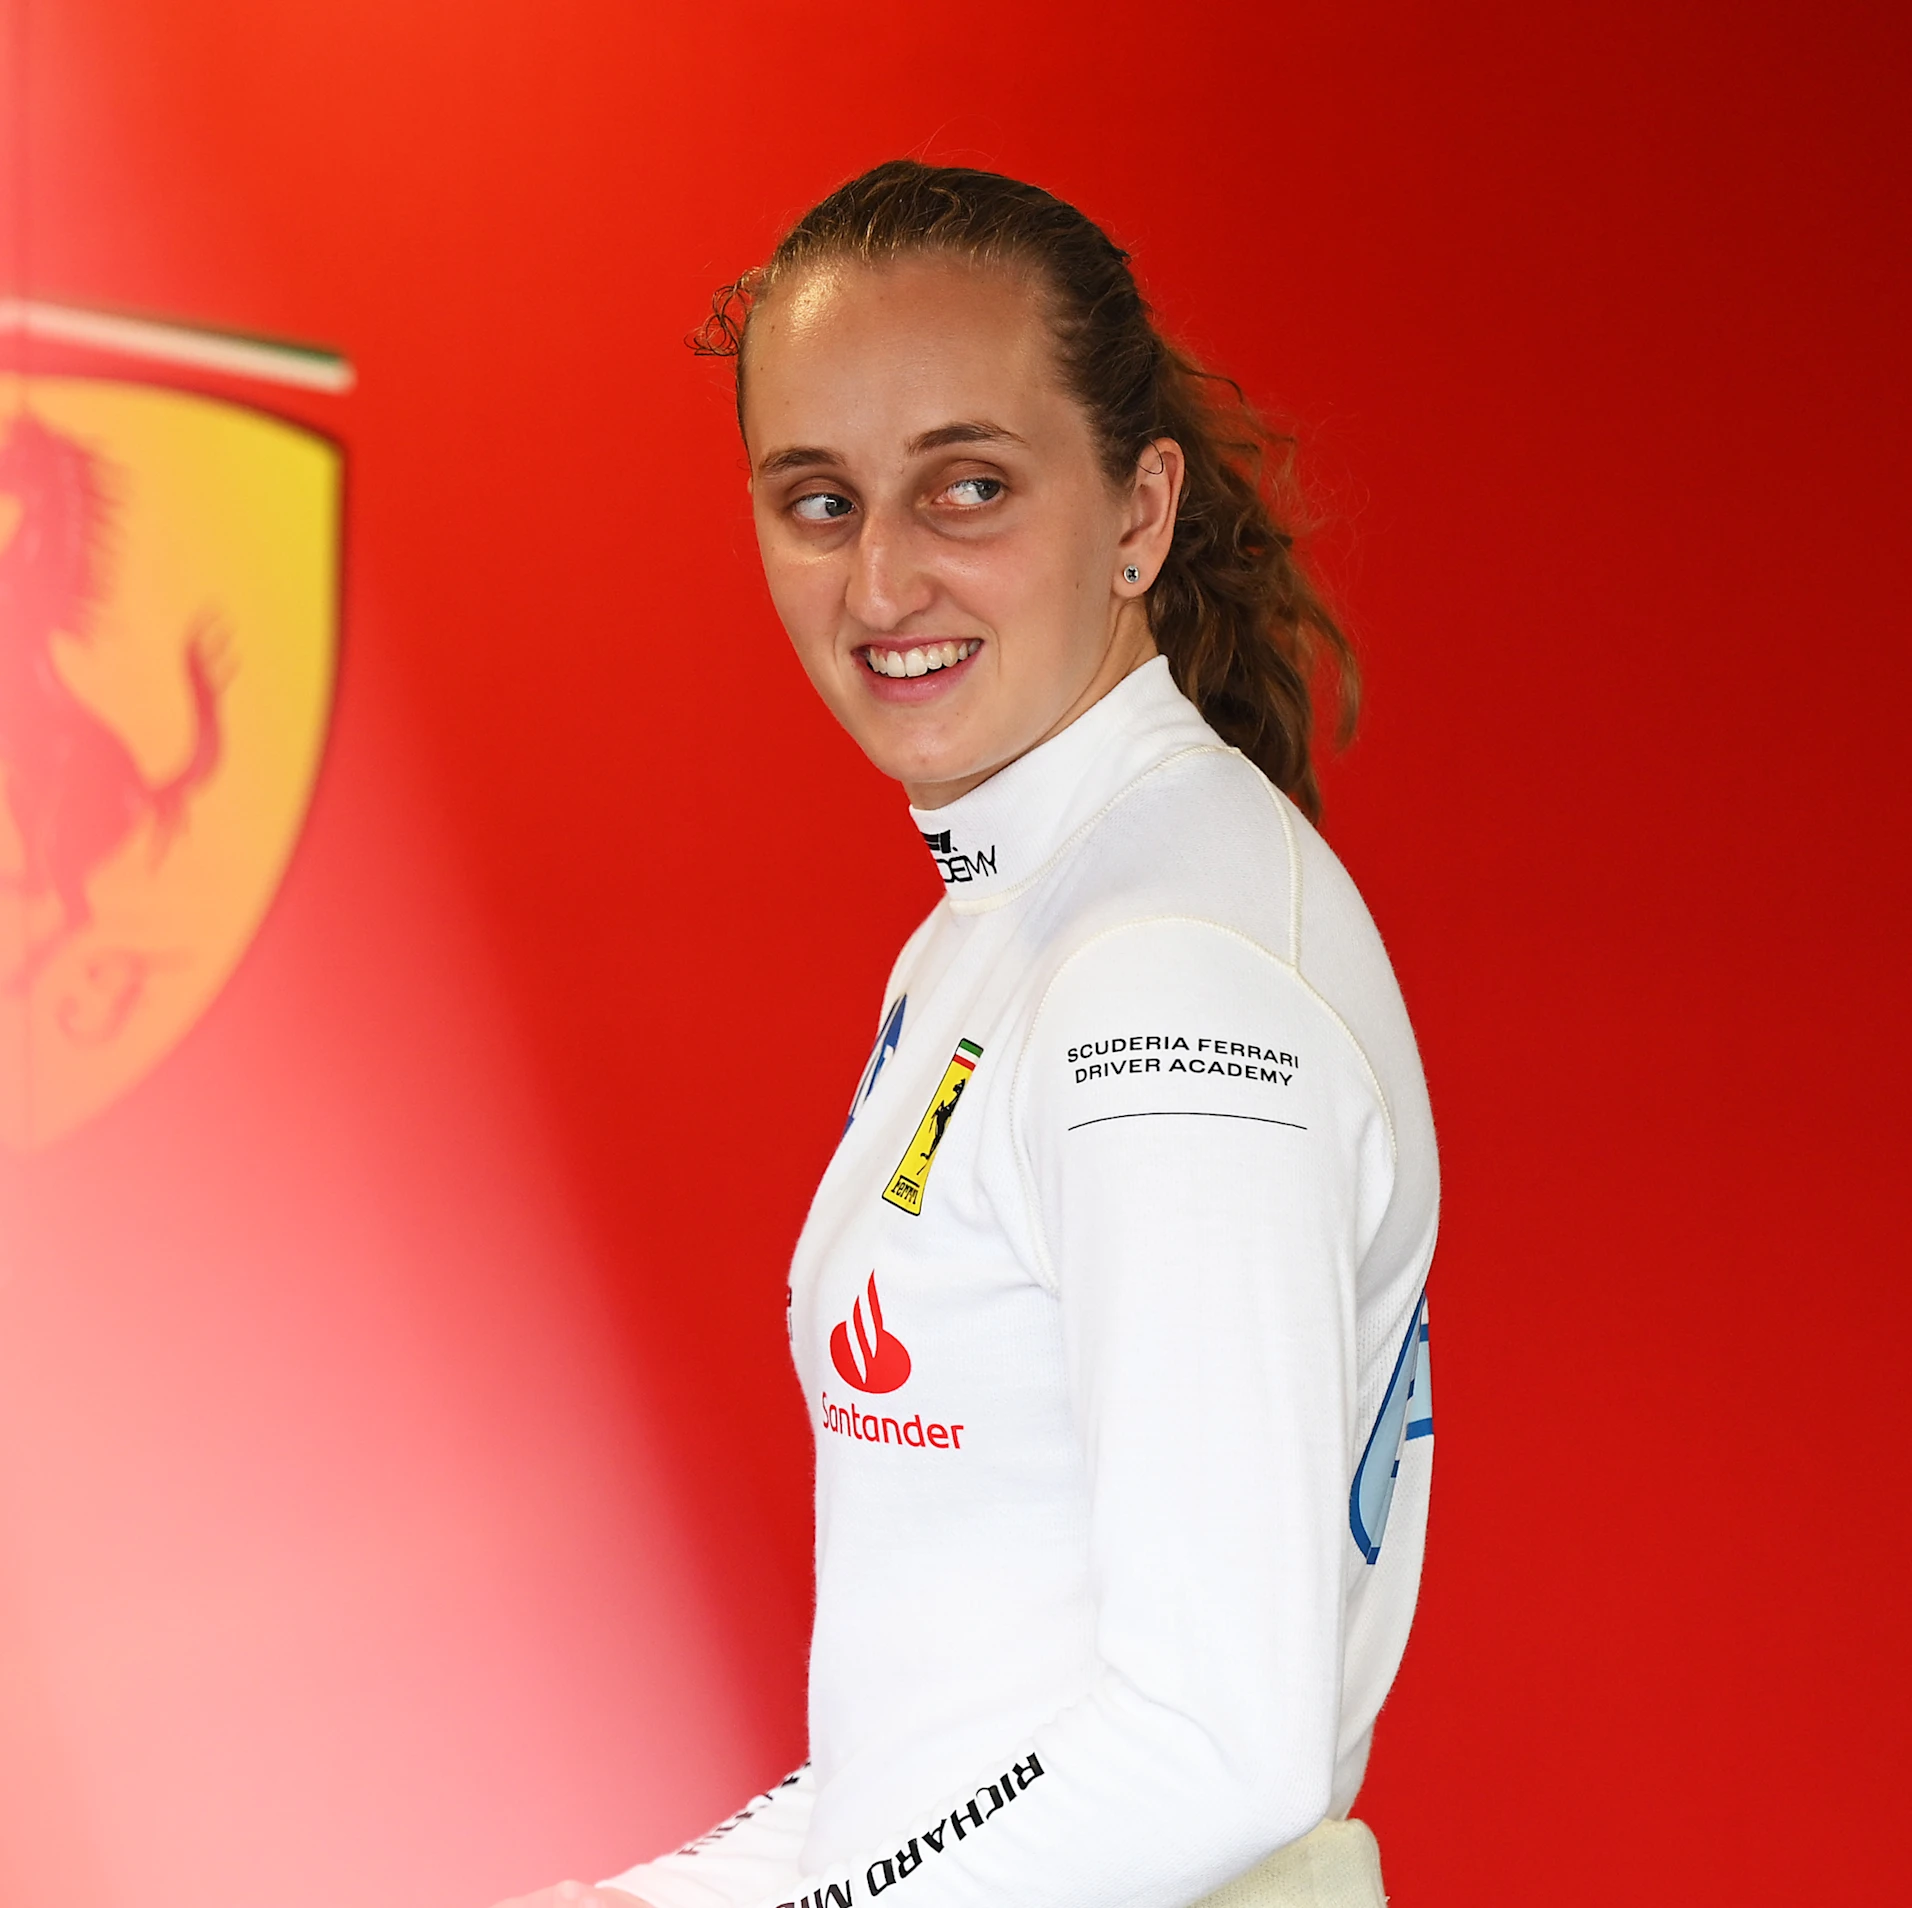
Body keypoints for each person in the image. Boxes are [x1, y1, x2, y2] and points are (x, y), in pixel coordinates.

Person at [506, 162, 1440, 1908]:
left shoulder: (1161, 972)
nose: (883, 581)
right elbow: (940, 1748)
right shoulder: (1014, 929)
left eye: (970, 486)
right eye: (818, 499)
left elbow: (1212, 1747)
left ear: (1139, 514)